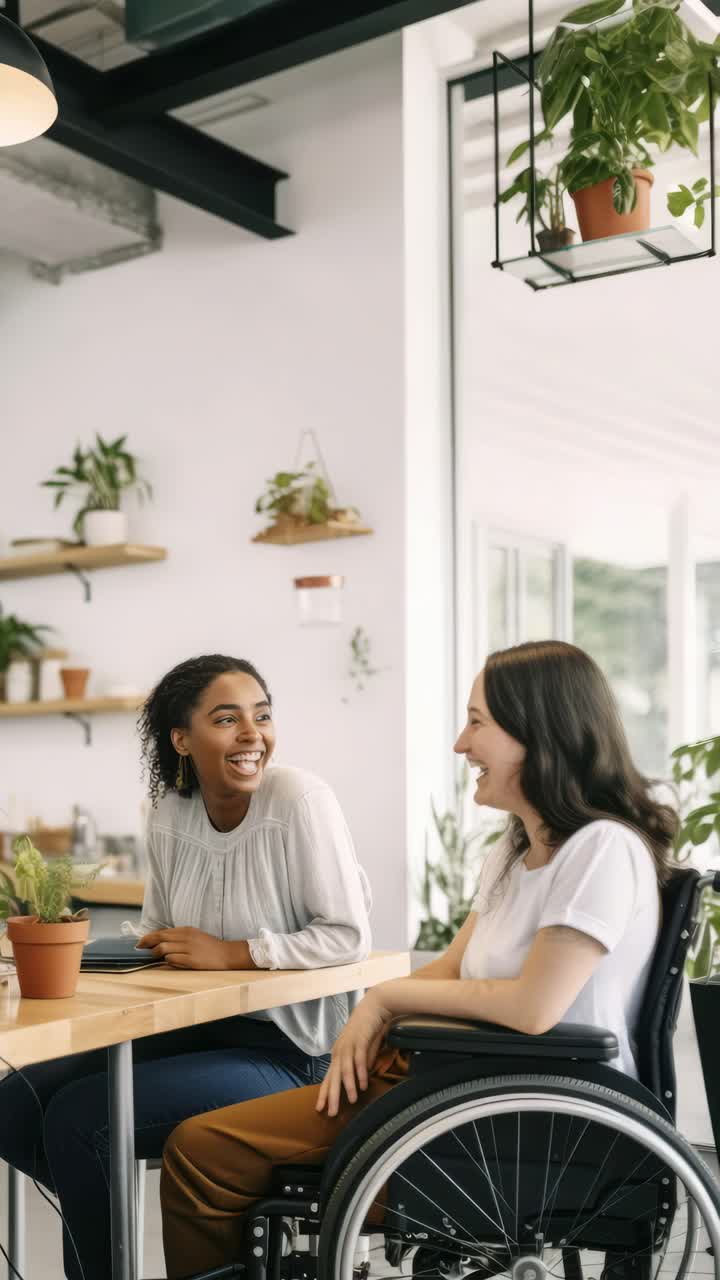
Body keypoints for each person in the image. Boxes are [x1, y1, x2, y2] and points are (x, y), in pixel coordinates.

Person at [160, 639, 678, 1279]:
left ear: (537, 732)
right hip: (456, 1084)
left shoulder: (600, 849)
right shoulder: (518, 849)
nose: (461, 745)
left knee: (200, 1152)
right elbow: (455, 968)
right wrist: (376, 1016)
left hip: (526, 1119)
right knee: (207, 1146)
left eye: (477, 722)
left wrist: (385, 999)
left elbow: (534, 1006)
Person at [0, 653, 371, 1280]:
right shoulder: (172, 813)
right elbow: (160, 929)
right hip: (192, 1030)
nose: (253, 734)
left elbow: (348, 936)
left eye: (261, 716)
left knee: (81, 1120)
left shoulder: (300, 799)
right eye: (227, 719)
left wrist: (232, 953)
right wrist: (91, 949)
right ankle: (100, 1220)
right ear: (182, 738)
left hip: (294, 1051)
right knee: (14, 1101)